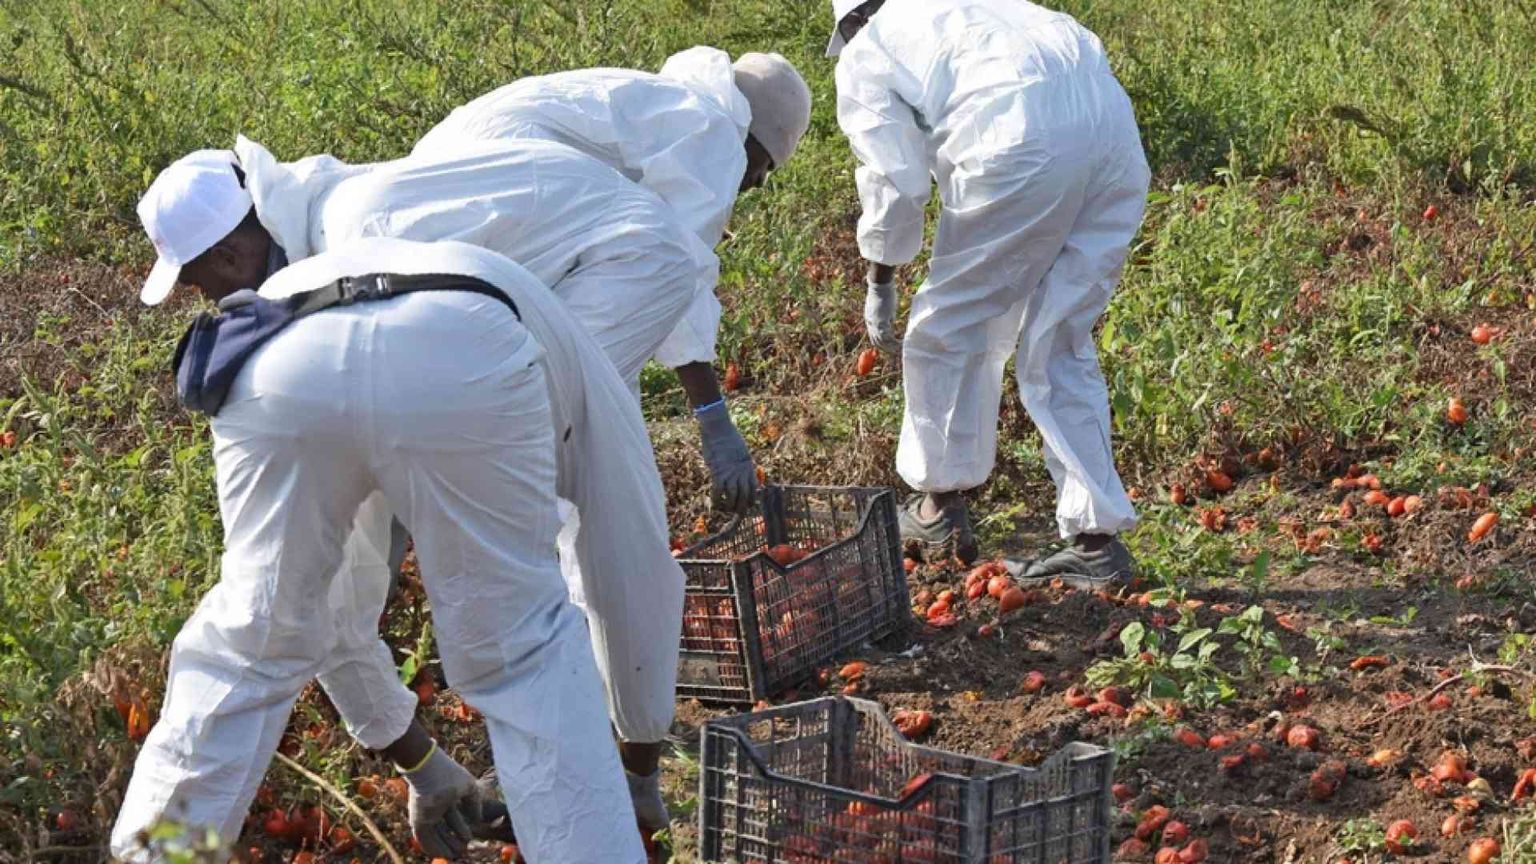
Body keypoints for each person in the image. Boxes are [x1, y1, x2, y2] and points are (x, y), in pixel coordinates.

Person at [132, 143, 697, 841]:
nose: (206, 300)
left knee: (247, 645)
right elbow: (628, 556)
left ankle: (162, 854)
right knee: (526, 659)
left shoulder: (291, 289)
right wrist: (639, 757)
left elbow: (329, 604)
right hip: (463, 341)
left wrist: (416, 759)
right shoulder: (499, 299)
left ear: (226, 259)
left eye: (196, 286)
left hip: (274, 369)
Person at [828, 0, 1150, 585]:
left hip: (1019, 145)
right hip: (1115, 144)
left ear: (850, 20)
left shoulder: (870, 47)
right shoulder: (994, 10)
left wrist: (881, 275)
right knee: (1061, 340)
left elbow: (893, 183)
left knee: (947, 328)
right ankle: (1097, 542)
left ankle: (937, 505)